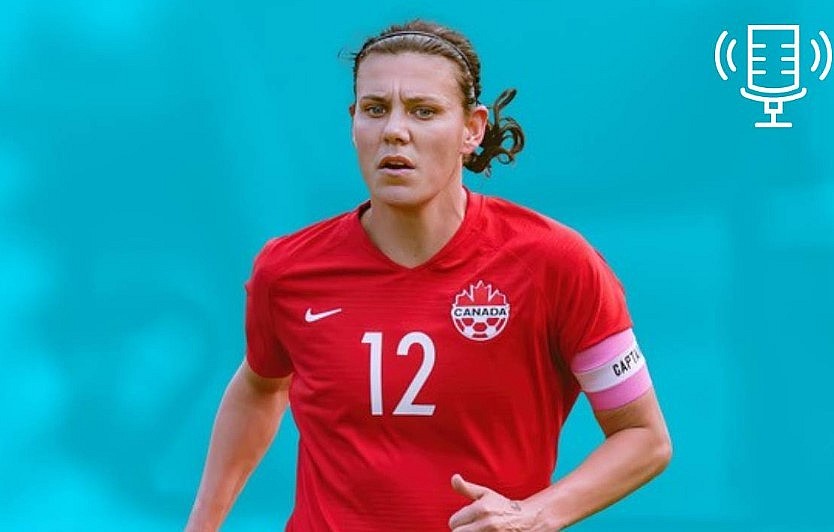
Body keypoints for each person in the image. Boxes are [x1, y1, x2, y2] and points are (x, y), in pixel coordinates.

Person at [186, 19, 671, 531]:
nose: (395, 130)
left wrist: (535, 513)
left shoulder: (555, 264)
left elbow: (644, 437)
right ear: (353, 123)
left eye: (424, 111)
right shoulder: (287, 270)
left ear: (472, 129)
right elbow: (261, 385)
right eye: (376, 109)